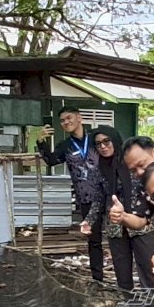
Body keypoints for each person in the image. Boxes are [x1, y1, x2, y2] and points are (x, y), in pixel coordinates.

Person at [36, 108, 105, 282]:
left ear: (79, 118)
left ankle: (124, 279)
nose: (66, 122)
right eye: (62, 120)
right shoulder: (64, 146)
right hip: (86, 198)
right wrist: (40, 141)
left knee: (117, 235)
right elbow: (51, 161)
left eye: (69, 118)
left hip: (108, 193)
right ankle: (98, 280)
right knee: (94, 240)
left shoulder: (96, 139)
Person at [91, 131, 154, 293]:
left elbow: (152, 189)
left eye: (106, 141)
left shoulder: (132, 163)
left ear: (115, 140)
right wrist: (89, 220)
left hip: (142, 220)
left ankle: (153, 303)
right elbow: (99, 197)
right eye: (98, 144)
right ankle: (128, 301)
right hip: (115, 223)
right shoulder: (100, 168)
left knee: (148, 265)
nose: (103, 146)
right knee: (121, 268)